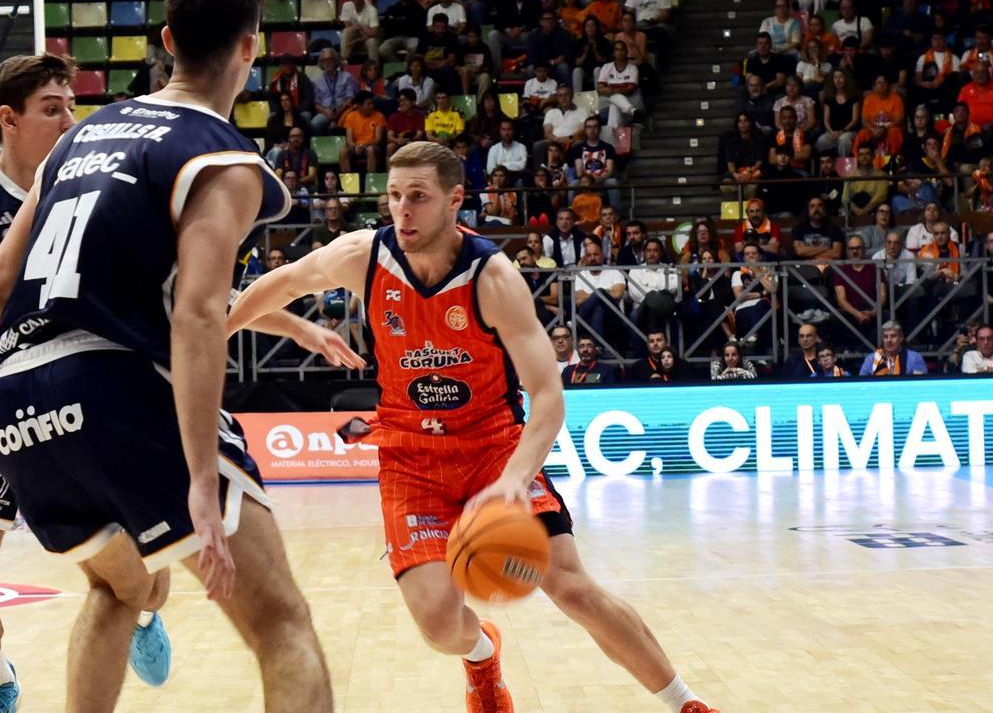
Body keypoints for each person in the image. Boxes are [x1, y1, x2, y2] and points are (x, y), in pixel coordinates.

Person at [0, 0, 351, 713]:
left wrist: (44, 387)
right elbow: (198, 314)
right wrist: (200, 477)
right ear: (251, 48)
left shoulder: (77, 139)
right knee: (281, 624)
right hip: (118, 388)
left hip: (12, 401)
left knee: (119, 589)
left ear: (167, 40)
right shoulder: (221, 156)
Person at [226, 141, 718, 713]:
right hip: (411, 457)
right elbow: (282, 283)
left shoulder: (493, 277)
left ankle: (686, 702)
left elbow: (547, 396)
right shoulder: (362, 256)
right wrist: (217, 327)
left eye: (418, 196)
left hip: (493, 448)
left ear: (455, 200)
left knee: (571, 588)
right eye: (394, 196)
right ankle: (483, 655)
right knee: (439, 624)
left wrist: (514, 479)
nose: (402, 210)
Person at [0, 53, 168, 713]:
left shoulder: (96, 186)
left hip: (73, 402)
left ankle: (144, 614)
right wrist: (50, 255)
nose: (69, 120)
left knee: (141, 581)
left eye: (72, 106)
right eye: (52, 108)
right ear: (9, 119)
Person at [859, 321, 927, 375]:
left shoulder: (915, 358)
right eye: (886, 337)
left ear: (901, 338)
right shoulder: (871, 359)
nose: (889, 340)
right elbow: (861, 383)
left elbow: (920, 385)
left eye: (893, 336)